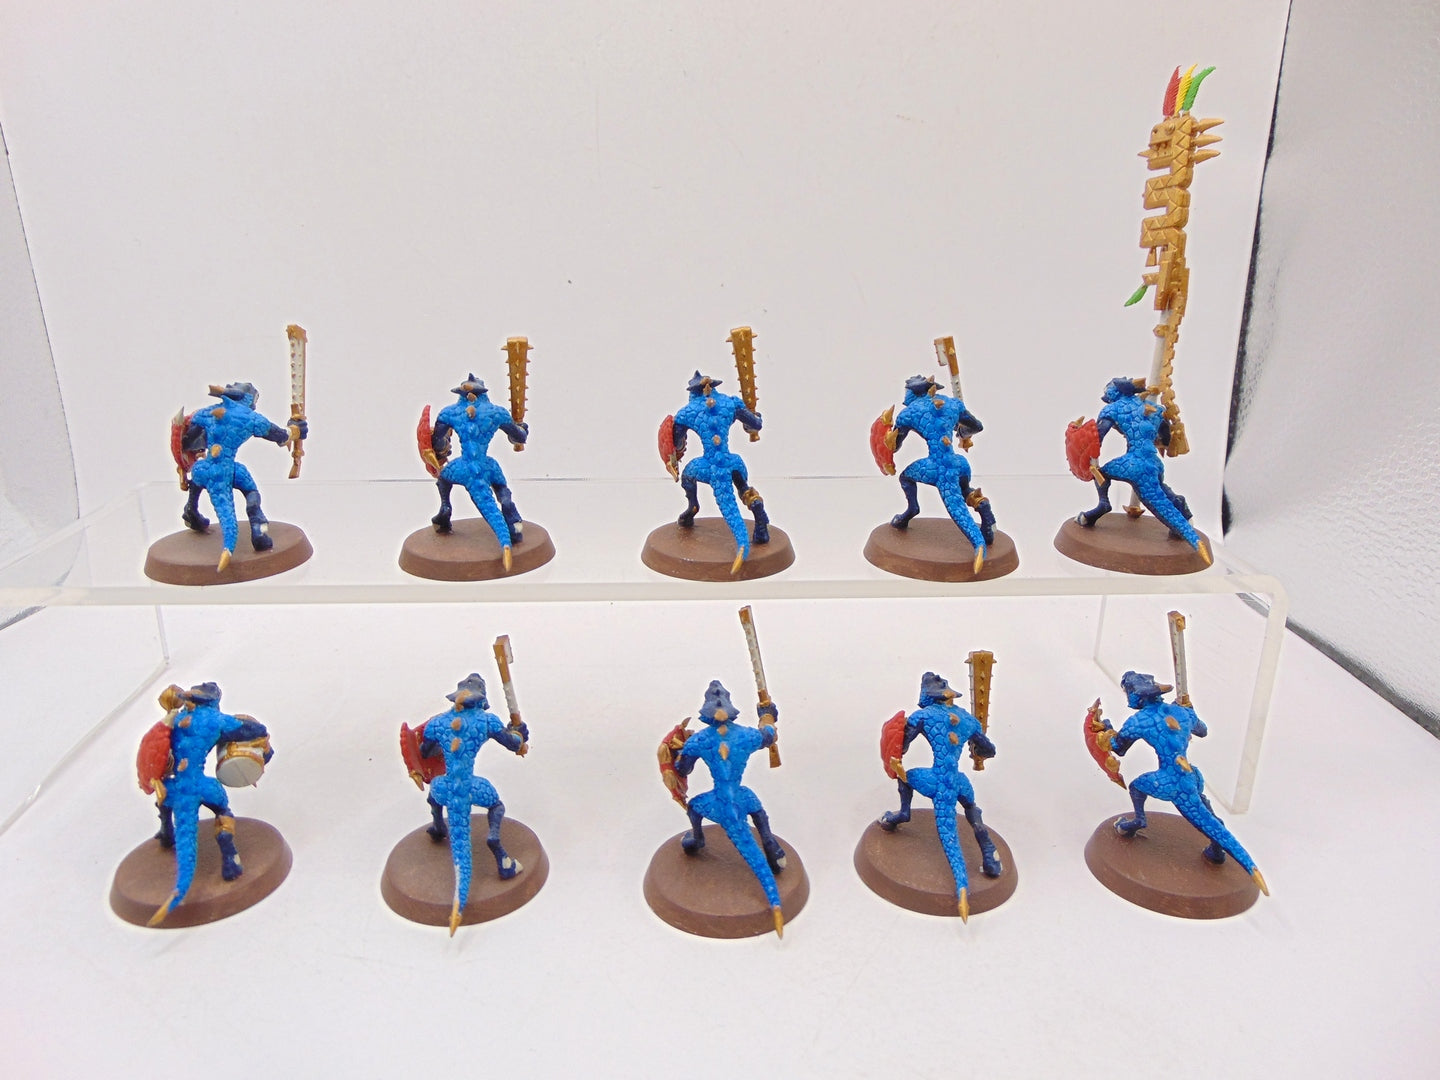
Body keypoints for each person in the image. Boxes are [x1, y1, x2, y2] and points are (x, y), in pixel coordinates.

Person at [879, 671, 1000, 920]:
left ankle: (903, 814)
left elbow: (901, 747)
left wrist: (894, 749)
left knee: (906, 776)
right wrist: (977, 750)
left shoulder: (923, 716)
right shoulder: (968, 720)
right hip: (957, 781)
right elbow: (989, 750)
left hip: (936, 779)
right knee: (971, 808)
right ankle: (987, 850)